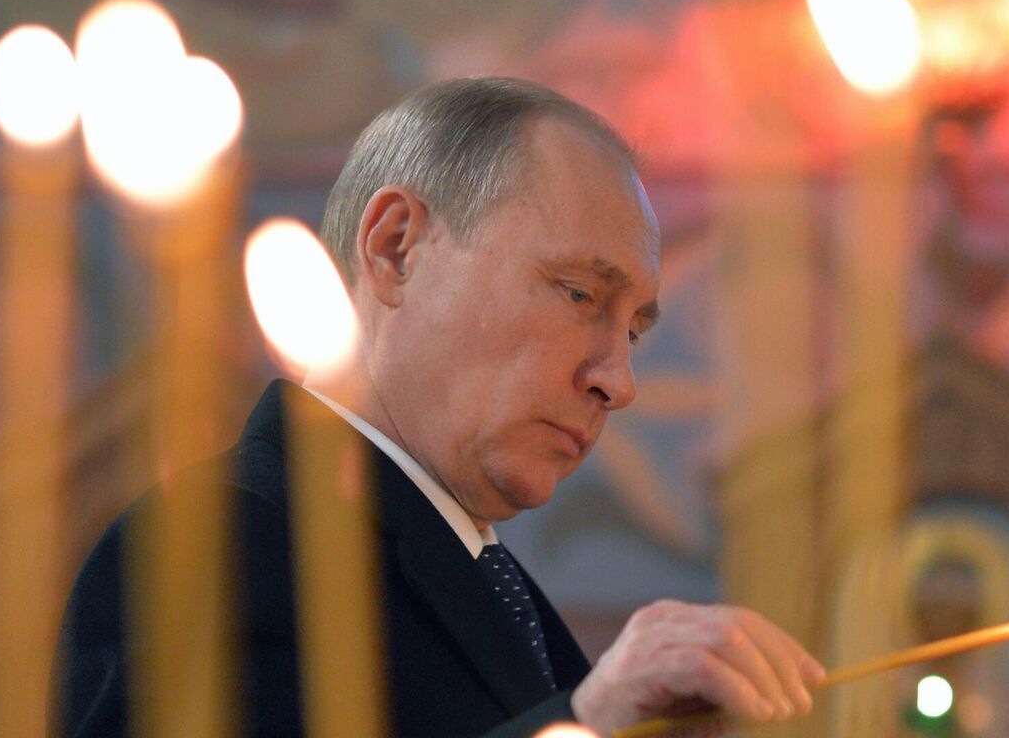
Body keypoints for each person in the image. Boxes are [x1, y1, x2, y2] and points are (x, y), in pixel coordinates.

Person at [57, 77, 823, 738]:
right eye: (580, 293)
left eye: (632, 329)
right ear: (396, 248)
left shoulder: (487, 579)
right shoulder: (207, 546)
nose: (618, 382)